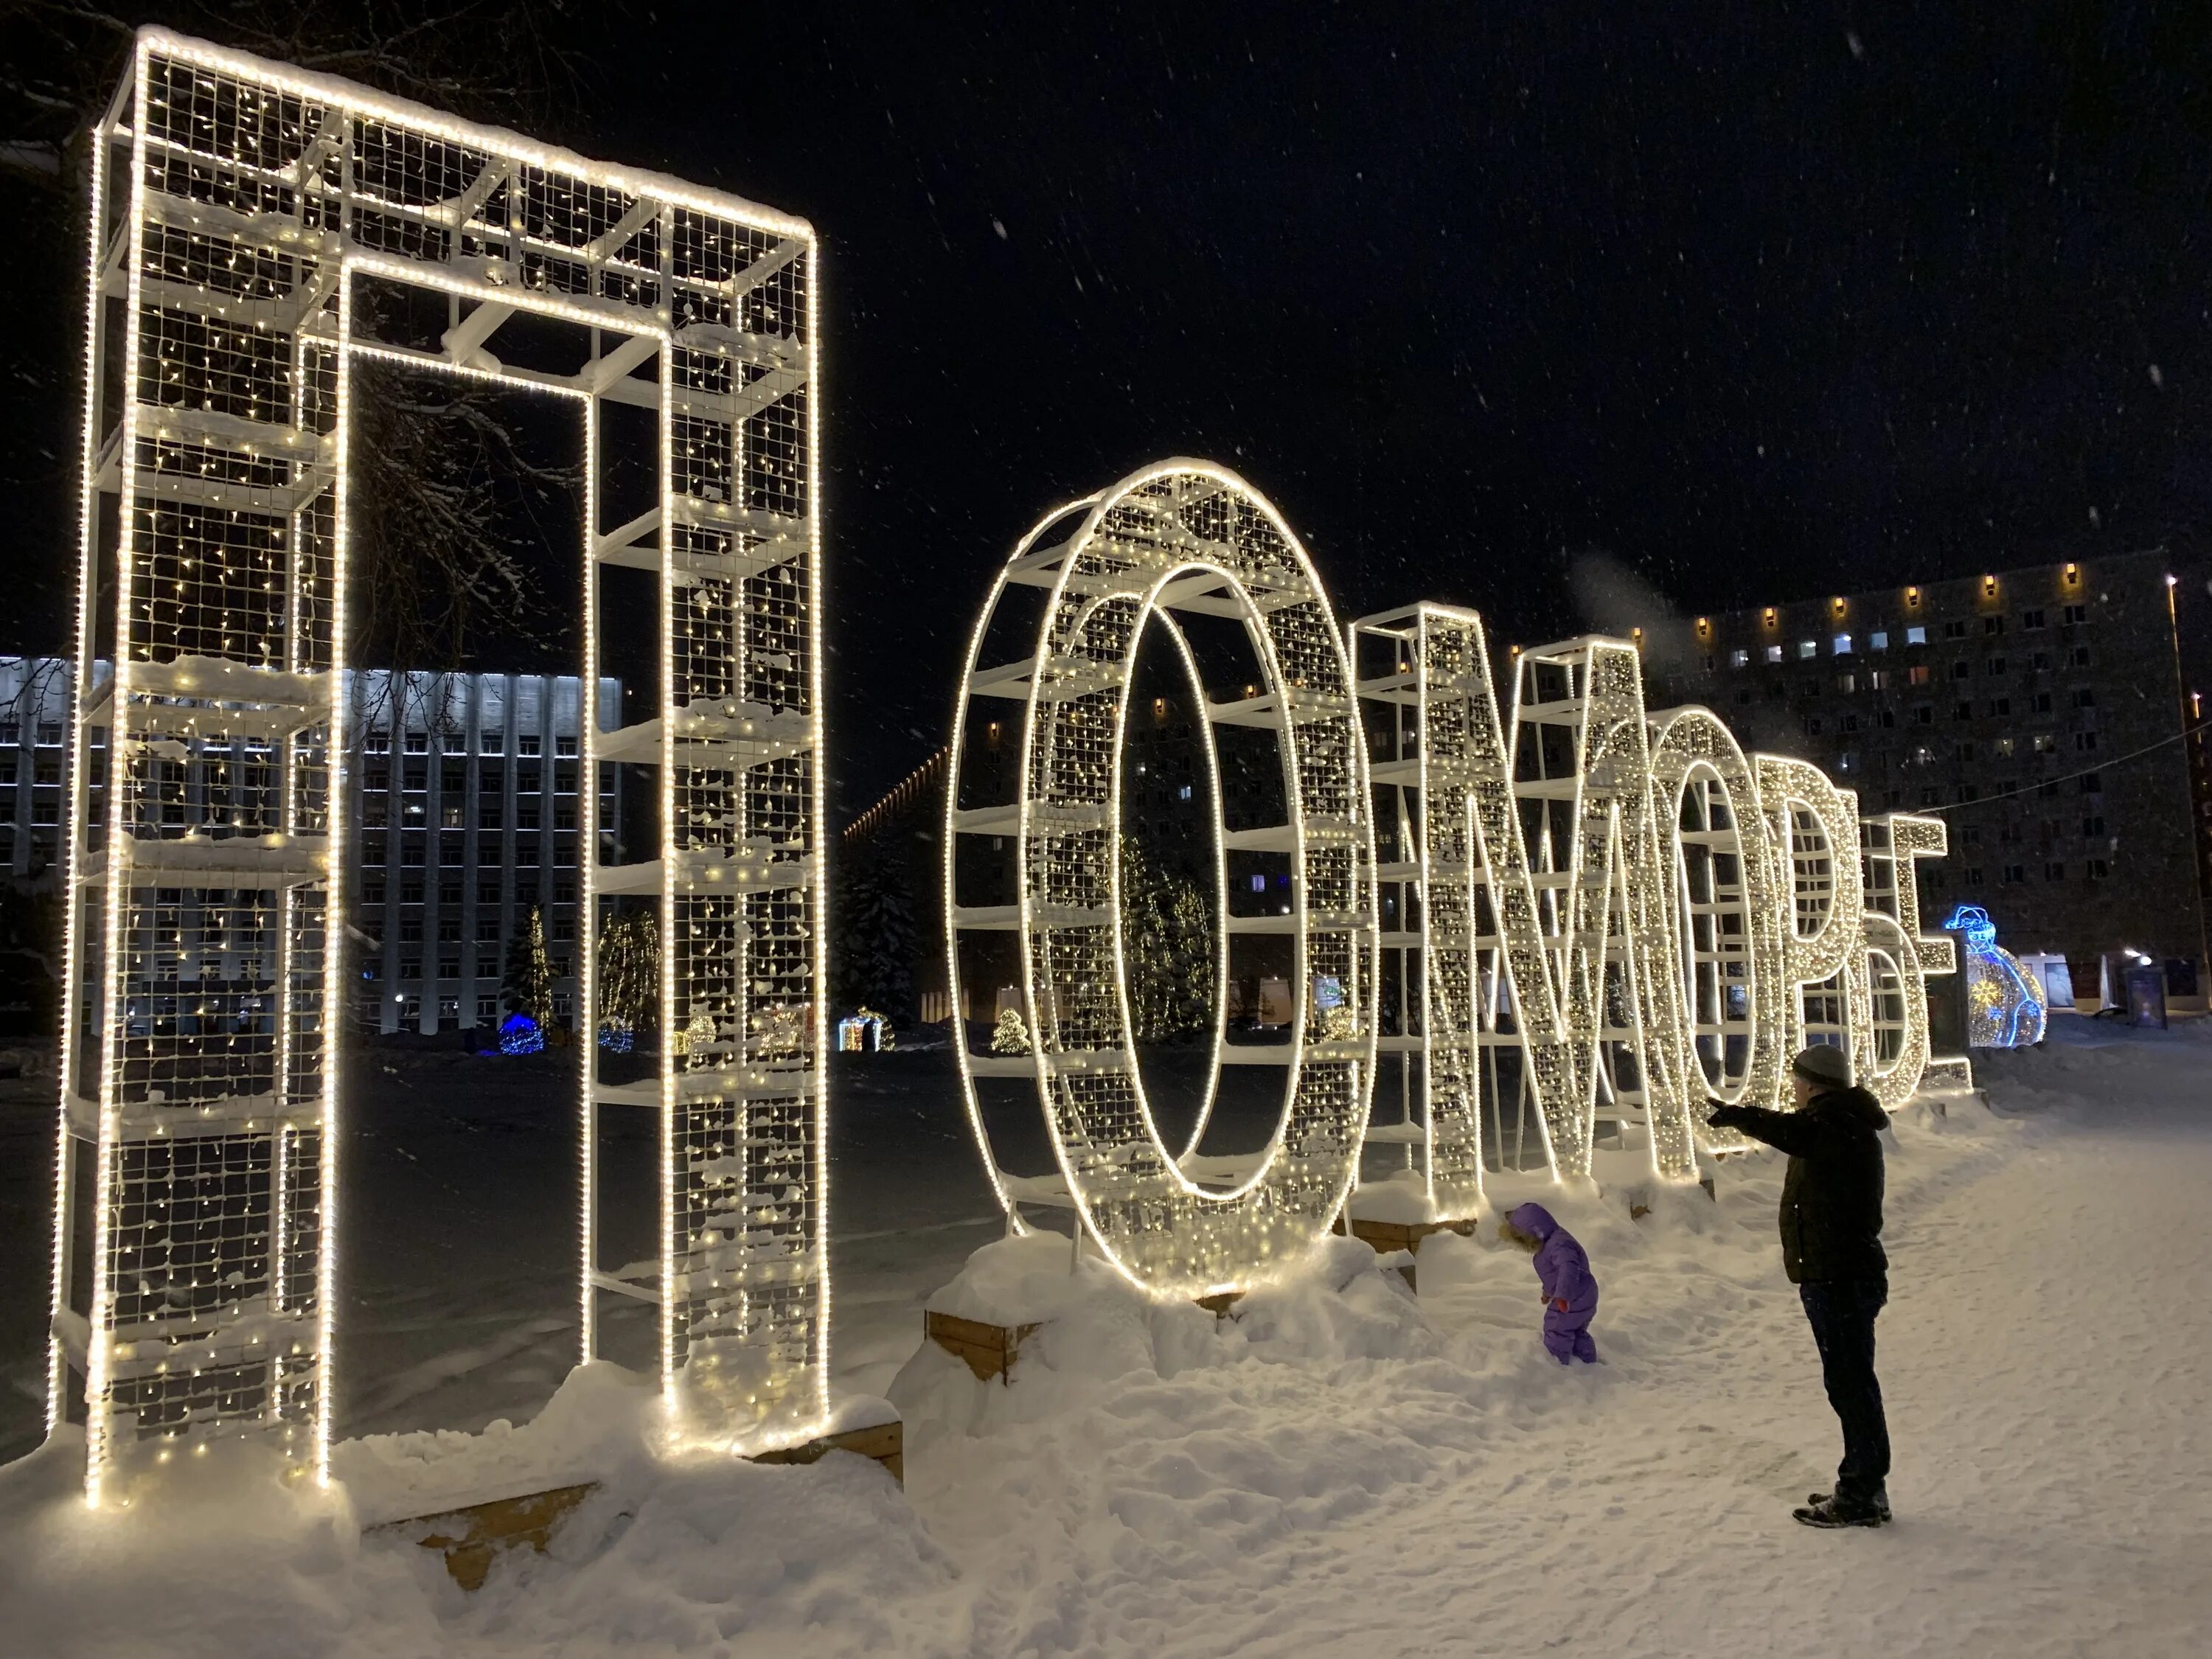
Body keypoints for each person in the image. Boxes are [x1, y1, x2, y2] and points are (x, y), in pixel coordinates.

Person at [1708, 1043, 1893, 1528]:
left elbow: (1795, 1133)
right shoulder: (1839, 1123)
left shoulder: (1836, 1124)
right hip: (1837, 1273)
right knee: (1851, 1384)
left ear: (1812, 1083)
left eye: (1797, 1081)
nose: (1793, 1088)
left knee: (1851, 1386)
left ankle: (1860, 1494)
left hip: (1841, 1277)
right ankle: (1866, 1486)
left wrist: (1742, 1117)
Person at [1498, 1202, 1599, 1364]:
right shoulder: (1552, 1241)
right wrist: (1548, 1292)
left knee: (1556, 1327)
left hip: (1573, 1296)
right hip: (1584, 1292)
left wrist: (1562, 1295)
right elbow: (1554, 1275)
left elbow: (1568, 1267)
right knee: (1574, 1328)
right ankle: (1586, 1360)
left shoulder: (1559, 1245)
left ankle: (1556, 1363)